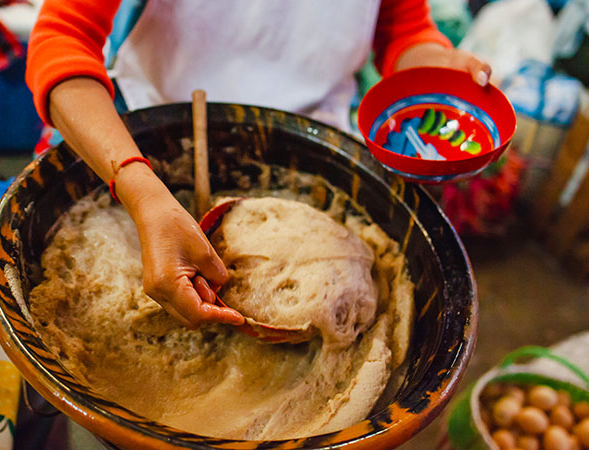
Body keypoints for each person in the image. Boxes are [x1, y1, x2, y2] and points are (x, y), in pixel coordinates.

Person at [25, 0, 491, 330]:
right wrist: (141, 191)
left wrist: (437, 67)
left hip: (318, 150)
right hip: (154, 156)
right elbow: (62, 39)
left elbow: (403, 30)